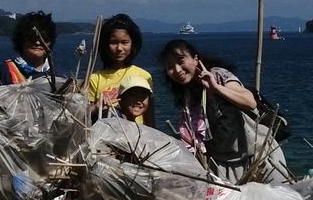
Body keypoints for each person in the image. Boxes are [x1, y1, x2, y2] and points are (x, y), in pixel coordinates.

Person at [159, 39, 287, 184]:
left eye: (181, 61)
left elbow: (249, 102)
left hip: (257, 157)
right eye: (170, 67)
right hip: (223, 164)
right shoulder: (187, 94)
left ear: (195, 59)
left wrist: (216, 88)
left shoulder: (217, 75)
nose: (177, 70)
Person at [88, 14, 154, 126]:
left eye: (125, 42)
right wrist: (96, 107)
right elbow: (85, 115)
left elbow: (149, 116)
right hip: (107, 134)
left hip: (138, 134)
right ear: (105, 45)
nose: (119, 48)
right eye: (114, 42)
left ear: (133, 44)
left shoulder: (143, 75)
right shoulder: (95, 79)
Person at [0, 11, 56, 85]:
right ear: (21, 40)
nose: (38, 43)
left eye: (44, 39)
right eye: (32, 38)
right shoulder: (3, 72)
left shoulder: (57, 75)